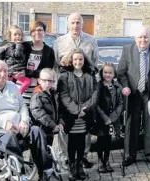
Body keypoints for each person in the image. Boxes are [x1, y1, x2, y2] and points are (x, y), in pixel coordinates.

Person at [0, 60, 52, 181]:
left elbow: (22, 106)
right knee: (10, 137)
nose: (3, 74)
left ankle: (46, 171)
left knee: (37, 131)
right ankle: (19, 173)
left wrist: (24, 120)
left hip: (19, 127)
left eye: (5, 71)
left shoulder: (12, 86)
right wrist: (3, 123)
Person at [52, 13, 98, 168]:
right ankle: (66, 157)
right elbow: (55, 66)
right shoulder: (59, 42)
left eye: (78, 22)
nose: (75, 25)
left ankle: (82, 155)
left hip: (85, 87)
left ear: (82, 24)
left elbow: (95, 64)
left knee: (85, 125)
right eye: (72, 22)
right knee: (66, 124)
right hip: (66, 89)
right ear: (67, 24)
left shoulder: (91, 41)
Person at [117, 26, 150, 167]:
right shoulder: (127, 50)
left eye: (146, 37)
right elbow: (121, 72)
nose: (143, 40)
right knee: (131, 124)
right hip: (133, 94)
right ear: (135, 38)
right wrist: (125, 86)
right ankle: (129, 155)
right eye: (140, 37)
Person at [57, 48, 98, 181]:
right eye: (75, 59)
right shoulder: (64, 76)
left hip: (85, 114)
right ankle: (72, 167)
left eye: (80, 59)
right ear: (71, 60)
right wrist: (76, 110)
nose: (78, 62)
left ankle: (80, 165)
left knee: (81, 142)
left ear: (84, 60)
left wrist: (84, 109)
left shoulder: (90, 75)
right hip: (71, 115)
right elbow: (64, 96)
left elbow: (95, 93)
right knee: (72, 143)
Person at [94, 63, 124, 173]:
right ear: (102, 73)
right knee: (100, 140)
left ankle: (106, 161)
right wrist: (105, 118)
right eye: (105, 72)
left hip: (112, 119)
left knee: (108, 141)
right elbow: (95, 104)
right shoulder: (98, 86)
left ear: (114, 74)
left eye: (110, 72)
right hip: (101, 119)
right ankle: (100, 161)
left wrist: (113, 117)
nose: (107, 74)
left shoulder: (117, 86)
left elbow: (121, 103)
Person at [0, 25, 30, 94]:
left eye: (19, 35)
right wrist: (18, 45)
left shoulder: (24, 46)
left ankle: (18, 94)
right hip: (10, 72)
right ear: (10, 36)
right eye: (15, 34)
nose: (18, 36)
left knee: (27, 82)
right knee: (5, 86)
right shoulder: (8, 46)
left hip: (20, 72)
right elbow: (16, 55)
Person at [30, 68, 60, 145]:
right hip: (42, 128)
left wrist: (60, 123)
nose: (47, 83)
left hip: (50, 129)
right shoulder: (37, 95)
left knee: (48, 149)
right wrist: (53, 126)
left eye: (50, 81)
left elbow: (58, 109)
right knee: (40, 150)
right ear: (39, 81)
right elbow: (38, 112)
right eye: (44, 80)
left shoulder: (53, 93)